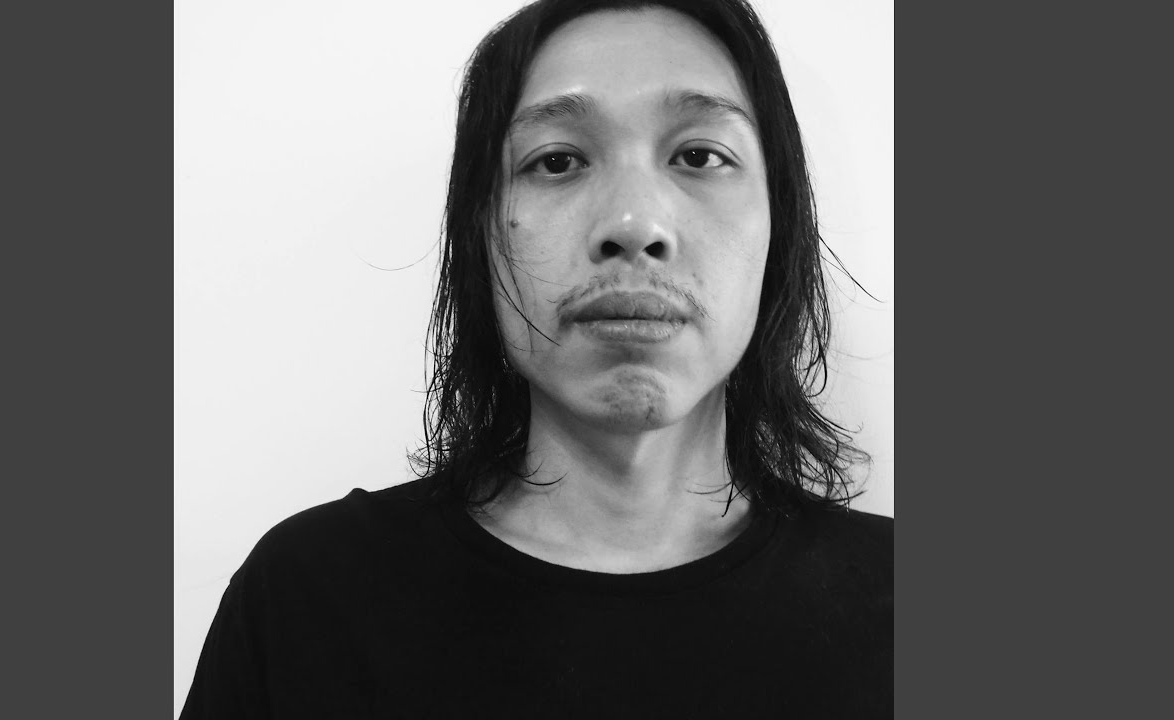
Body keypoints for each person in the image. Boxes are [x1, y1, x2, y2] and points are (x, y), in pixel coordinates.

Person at [180, 0, 891, 716]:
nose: (634, 224)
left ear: (779, 224)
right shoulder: (307, 602)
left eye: (700, 156)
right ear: (481, 234)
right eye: (557, 161)